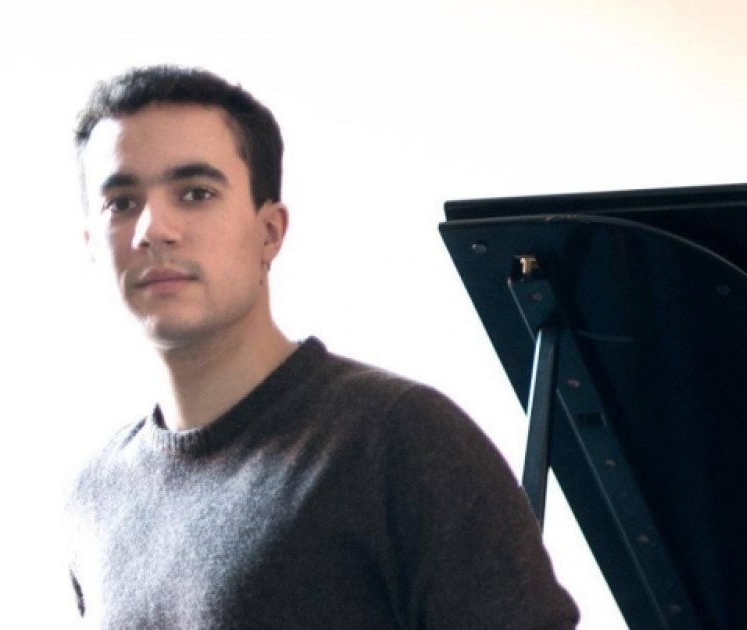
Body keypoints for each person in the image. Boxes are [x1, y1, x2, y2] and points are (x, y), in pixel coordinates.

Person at [65, 65, 580, 629]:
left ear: (269, 232)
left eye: (195, 193)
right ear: (92, 243)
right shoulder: (97, 494)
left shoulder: (399, 440)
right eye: (121, 202)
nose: (152, 229)